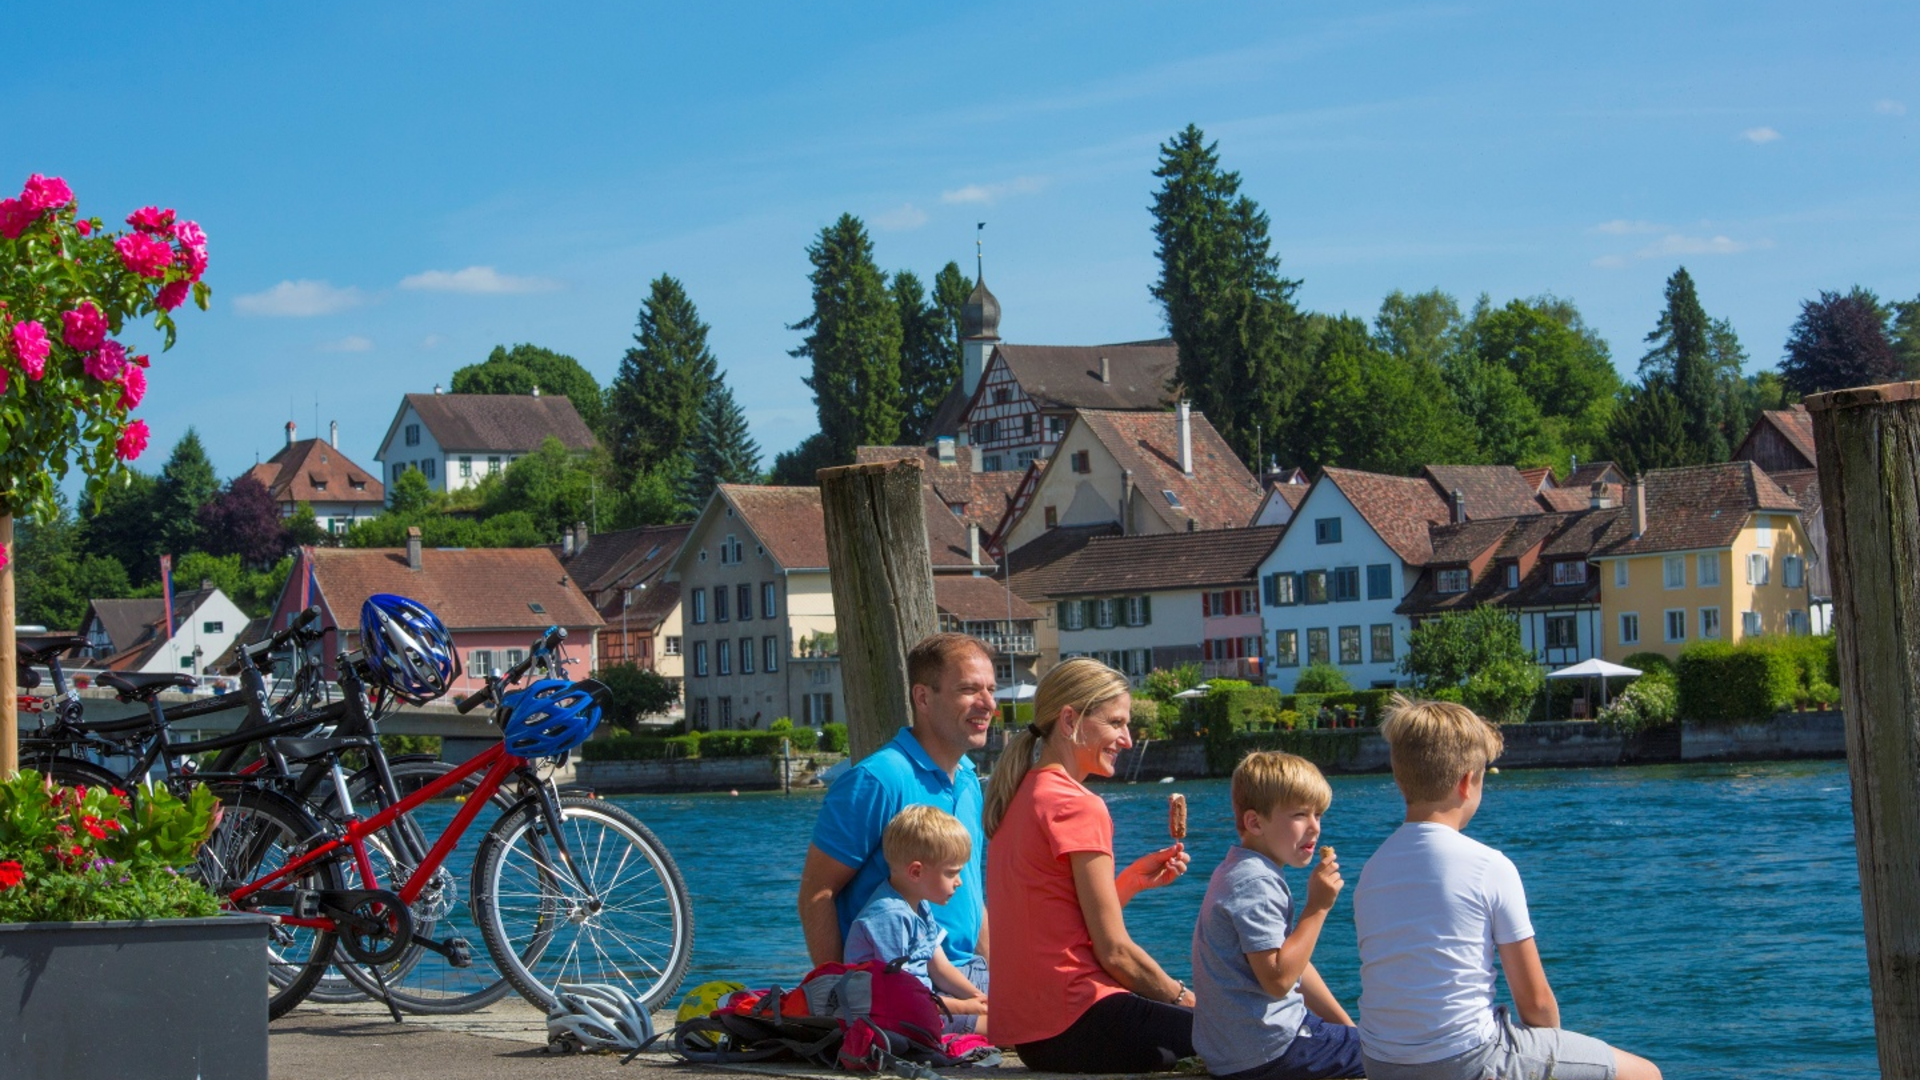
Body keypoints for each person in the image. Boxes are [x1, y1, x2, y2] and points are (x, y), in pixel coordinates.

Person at [1353, 696, 1661, 1080]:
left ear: (1399, 779)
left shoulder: (1372, 870)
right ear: (1468, 782)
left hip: (1382, 1062)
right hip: (1466, 1059)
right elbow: (1535, 1003)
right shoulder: (1487, 866)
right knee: (1645, 1073)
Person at [983, 658, 1193, 1073]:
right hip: (1080, 1020)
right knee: (1252, 1034)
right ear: (1069, 720)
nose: (1128, 740)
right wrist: (1184, 999)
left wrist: (1130, 881)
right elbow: (1115, 953)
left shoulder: (1019, 793)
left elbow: (1053, 923)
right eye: (1116, 723)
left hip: (1034, 1037)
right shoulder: (1077, 804)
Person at [798, 633, 997, 992]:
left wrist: (998, 983)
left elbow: (972, 899)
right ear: (923, 697)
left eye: (991, 690)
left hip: (967, 976)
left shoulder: (969, 779)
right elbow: (817, 893)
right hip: (905, 985)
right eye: (969, 690)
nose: (987, 704)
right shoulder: (878, 779)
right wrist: (841, 996)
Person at [1192, 751, 1363, 1080]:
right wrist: (1318, 908)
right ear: (1255, 822)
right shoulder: (1257, 882)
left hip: (1238, 1051)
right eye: (1300, 814)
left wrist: (1347, 1028)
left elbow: (1294, 962)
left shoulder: (1239, 868)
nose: (1315, 827)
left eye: (1319, 814)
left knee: (1366, 1041)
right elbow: (1278, 980)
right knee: (1398, 1052)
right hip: (1270, 1051)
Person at [845, 805, 989, 1035]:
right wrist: (963, 1007)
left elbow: (939, 967)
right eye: (951, 873)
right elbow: (900, 994)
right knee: (1007, 1029)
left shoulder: (919, 905)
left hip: (921, 1001)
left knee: (1003, 1004)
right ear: (916, 872)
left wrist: (977, 997)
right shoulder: (890, 918)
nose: (959, 881)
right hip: (895, 1013)